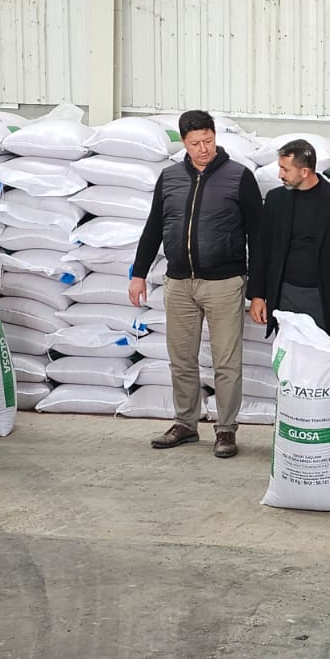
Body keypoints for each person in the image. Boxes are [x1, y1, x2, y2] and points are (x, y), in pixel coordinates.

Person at [131, 110, 262, 458]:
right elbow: (153, 228)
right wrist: (138, 273)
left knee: (226, 362)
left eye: (208, 140)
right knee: (182, 359)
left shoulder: (239, 177)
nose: (203, 149)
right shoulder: (170, 177)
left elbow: (259, 236)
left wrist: (258, 290)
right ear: (184, 143)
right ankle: (186, 423)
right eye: (195, 143)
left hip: (225, 283)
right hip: (179, 283)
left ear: (215, 136)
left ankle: (226, 429)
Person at [250, 138, 330, 460]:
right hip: (285, 297)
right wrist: (257, 295)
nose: (280, 174)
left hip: (324, 299)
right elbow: (261, 250)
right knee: (292, 371)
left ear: (305, 170)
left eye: (285, 169)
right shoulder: (276, 201)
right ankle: (296, 437)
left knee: (328, 371)